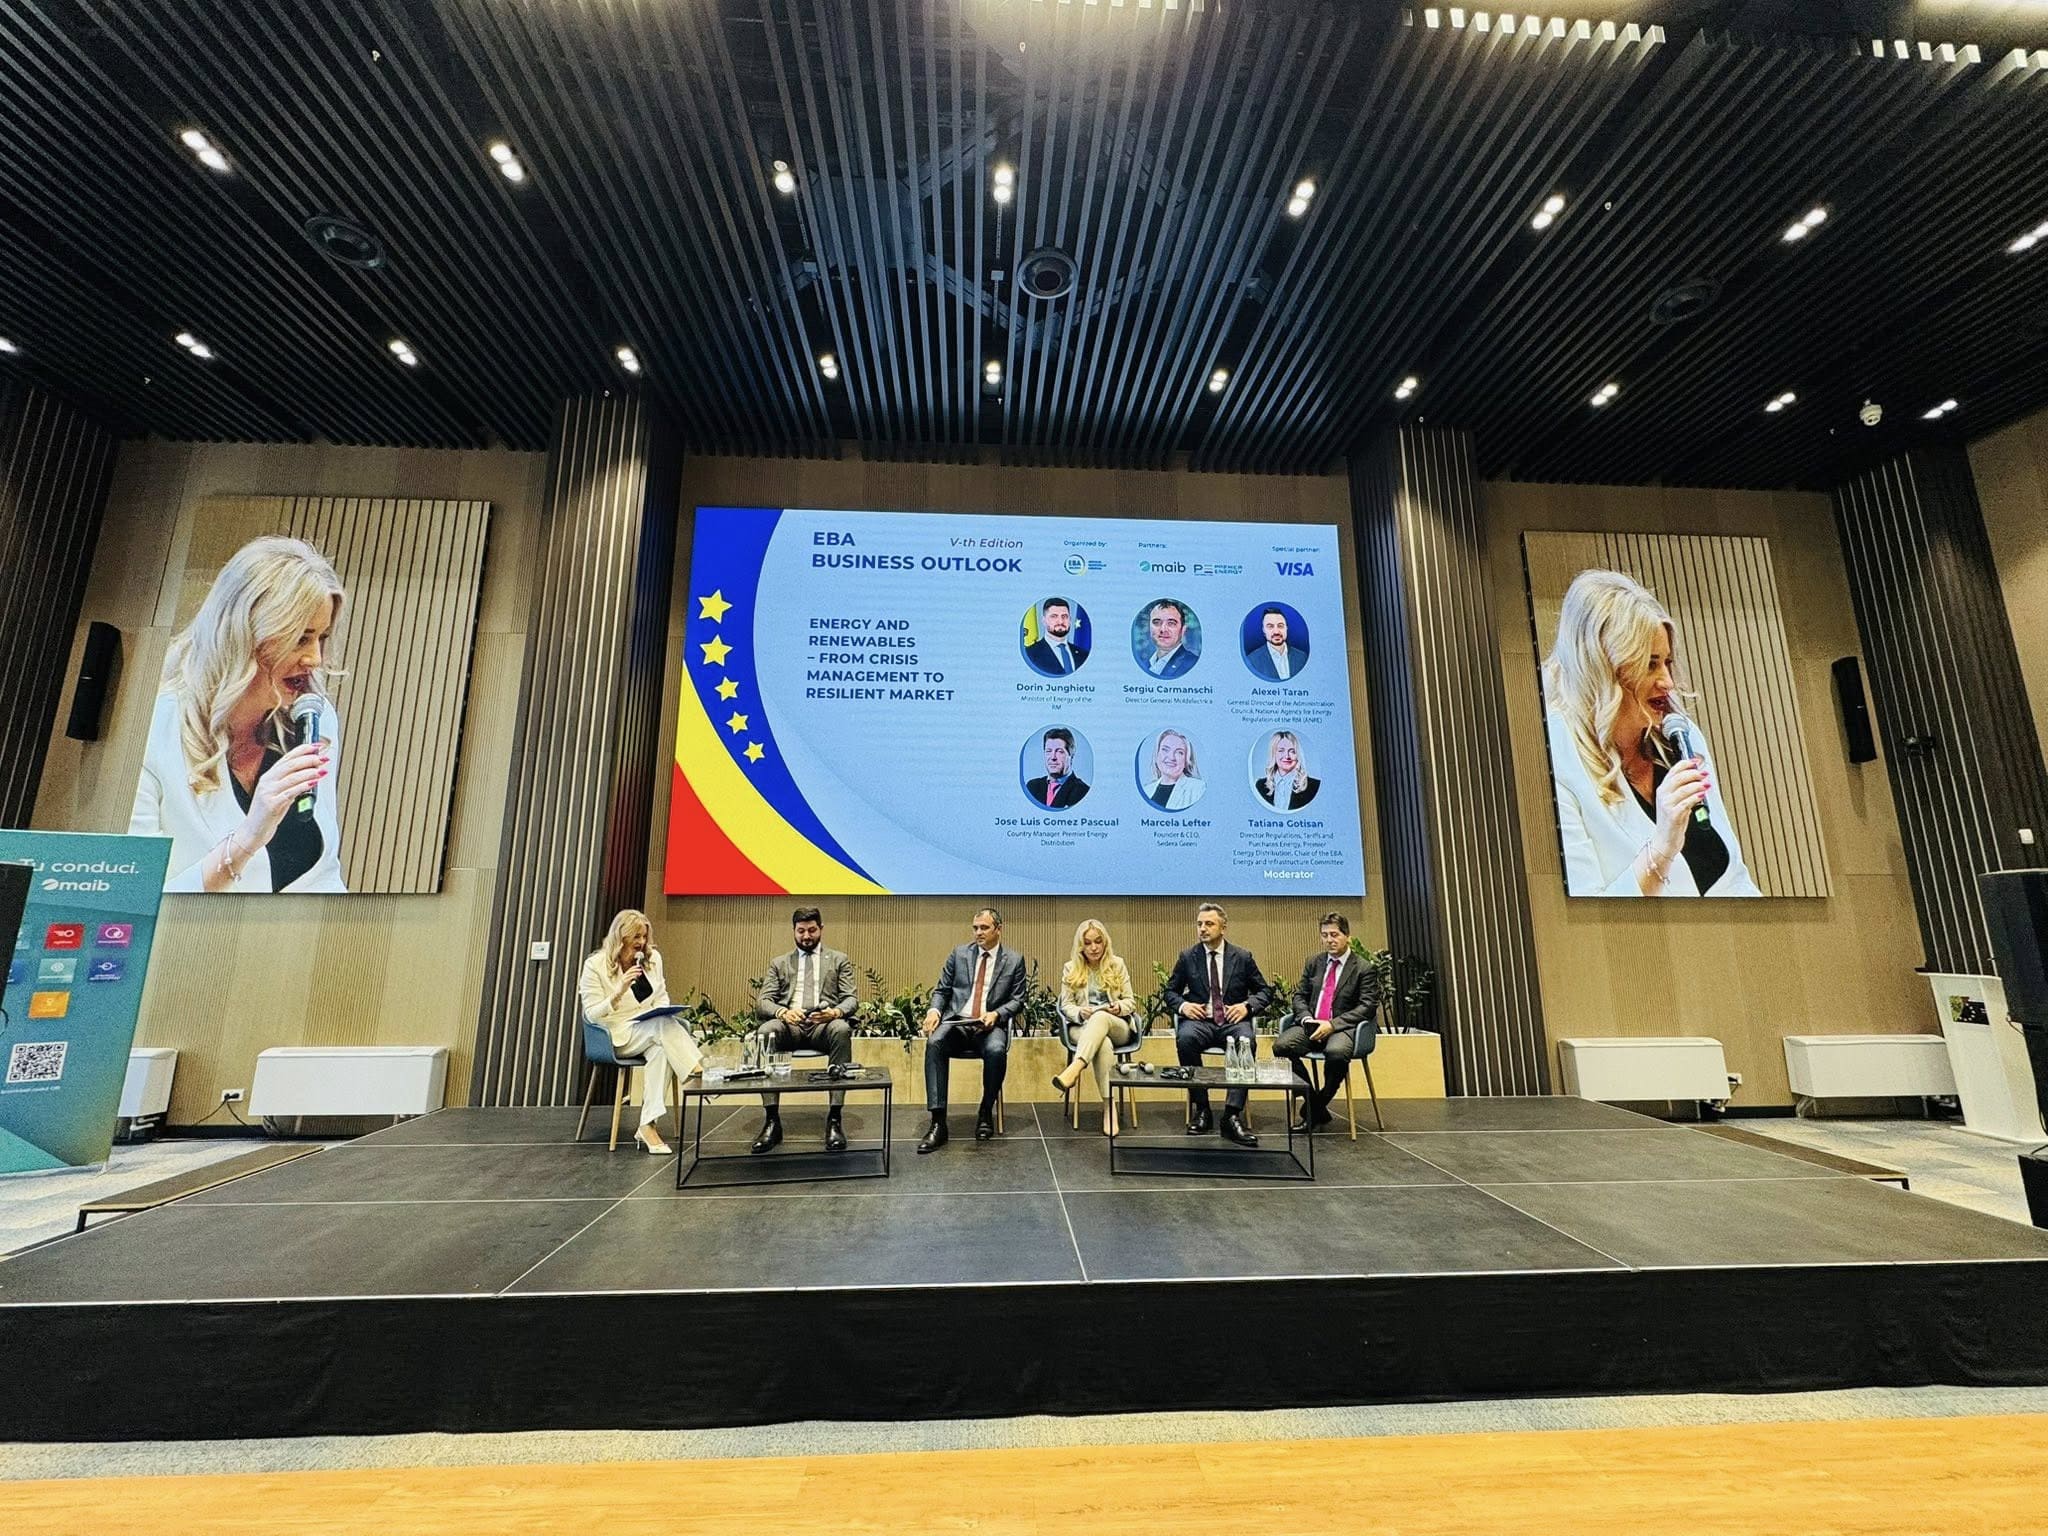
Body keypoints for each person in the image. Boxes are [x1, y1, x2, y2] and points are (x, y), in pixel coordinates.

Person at [130, 535, 347, 893]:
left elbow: (323, 872)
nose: (315, 659)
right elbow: (135, 903)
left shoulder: (314, 718)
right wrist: (247, 839)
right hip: (194, 931)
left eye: (321, 638)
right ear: (244, 634)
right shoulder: (153, 730)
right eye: (300, 638)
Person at [1542, 569, 1760, 897]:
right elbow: (1585, 916)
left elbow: (1734, 877)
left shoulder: (1681, 738)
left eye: (1667, 663)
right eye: (1650, 664)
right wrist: (1662, 847)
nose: (1668, 683)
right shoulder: (1557, 755)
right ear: (1605, 668)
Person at [577, 909, 704, 1155]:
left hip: (649, 1029)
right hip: (614, 1034)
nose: (642, 942)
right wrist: (619, 992)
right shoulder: (595, 965)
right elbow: (591, 1014)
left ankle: (647, 1126)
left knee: (661, 1049)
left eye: (644, 936)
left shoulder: (652, 958)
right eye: (636, 936)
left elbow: (661, 996)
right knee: (661, 1027)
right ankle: (696, 1072)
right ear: (620, 936)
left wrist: (661, 1010)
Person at [751, 906, 859, 1154]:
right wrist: (783, 1012)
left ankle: (834, 1119)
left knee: (841, 1029)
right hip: (791, 1026)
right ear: (794, 931)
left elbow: (851, 1000)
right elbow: (763, 1001)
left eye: (812, 930)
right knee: (766, 1031)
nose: (806, 936)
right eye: (801, 931)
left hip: (824, 1025)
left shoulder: (838, 959)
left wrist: (834, 1013)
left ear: (821, 929)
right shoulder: (779, 963)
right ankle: (771, 1120)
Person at [918, 907, 1026, 1152]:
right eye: (975, 928)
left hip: (989, 1026)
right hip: (958, 1022)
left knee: (996, 1050)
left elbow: (1018, 1000)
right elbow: (942, 990)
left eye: (984, 928)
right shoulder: (959, 954)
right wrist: (933, 1012)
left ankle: (986, 1111)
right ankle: (938, 1122)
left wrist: (997, 1014)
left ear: (998, 929)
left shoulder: (1014, 960)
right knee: (935, 1043)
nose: (978, 932)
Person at [1165, 902, 1270, 1146]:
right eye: (1199, 924)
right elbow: (1170, 992)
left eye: (1209, 924)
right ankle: (1202, 1109)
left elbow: (1264, 991)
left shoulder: (1242, 957)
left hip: (1232, 1022)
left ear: (1223, 928)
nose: (1202, 928)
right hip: (1200, 1021)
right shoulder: (1188, 957)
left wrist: (1246, 1006)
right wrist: (1184, 1006)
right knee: (1185, 1039)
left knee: (1246, 1041)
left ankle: (1232, 1114)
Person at [1271, 912, 1378, 1131]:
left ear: (1347, 936)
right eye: (1325, 935)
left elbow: (1367, 1007)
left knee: (1336, 1053)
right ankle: (1314, 1104)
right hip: (1311, 1025)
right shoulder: (1314, 962)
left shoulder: (1363, 968)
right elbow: (1299, 996)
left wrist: (1333, 1025)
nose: (1329, 940)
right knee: (1281, 1046)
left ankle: (1318, 1104)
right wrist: (1306, 1018)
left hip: (1341, 1028)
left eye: (1334, 935)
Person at [1050, 919, 1141, 1136]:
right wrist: (1080, 1012)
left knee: (1101, 1017)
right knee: (1103, 1044)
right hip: (1082, 1027)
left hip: (1117, 1025)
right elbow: (1066, 1005)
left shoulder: (1117, 964)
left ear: (1105, 942)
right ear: (1080, 946)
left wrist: (1118, 1007)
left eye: (1098, 942)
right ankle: (1109, 1109)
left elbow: (1130, 1001)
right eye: (1088, 943)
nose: (1093, 948)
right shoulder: (1071, 968)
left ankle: (1075, 1068)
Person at [1025, 727, 1091, 809]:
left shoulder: (1083, 791)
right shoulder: (1032, 787)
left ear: (1071, 755)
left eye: (1059, 751)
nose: (1053, 757)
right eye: (1048, 751)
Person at [1255, 730, 1321, 811]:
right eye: (1281, 750)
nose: (1287, 756)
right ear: (1273, 754)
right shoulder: (1260, 786)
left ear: (1298, 755)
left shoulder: (1314, 786)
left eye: (1292, 751)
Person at [1141, 728, 1206, 810]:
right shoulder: (1147, 790)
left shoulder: (1198, 788)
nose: (1171, 757)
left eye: (1179, 752)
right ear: (1157, 755)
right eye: (1165, 750)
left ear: (1186, 760)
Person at [1023, 597, 1088, 677]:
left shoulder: (1083, 654)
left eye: (1064, 616)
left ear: (1070, 620)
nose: (1060, 621)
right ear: (1044, 621)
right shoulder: (1030, 654)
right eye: (1054, 616)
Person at [1136, 599, 1200, 678]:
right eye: (1156, 622)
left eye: (1171, 623)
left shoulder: (1191, 663)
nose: (1163, 629)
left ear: (1183, 630)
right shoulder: (1145, 664)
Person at [1244, 606, 1309, 681]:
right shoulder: (1252, 661)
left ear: (1286, 628)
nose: (1276, 632)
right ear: (1264, 630)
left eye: (1280, 626)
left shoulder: (1302, 657)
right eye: (1270, 626)